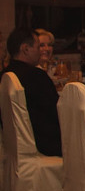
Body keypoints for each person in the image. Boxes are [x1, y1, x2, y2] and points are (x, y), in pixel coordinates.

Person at [1, 28, 62, 156]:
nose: (40, 51)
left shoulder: (3, 76)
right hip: (43, 148)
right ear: (25, 49)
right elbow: (58, 112)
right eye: (38, 47)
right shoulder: (36, 76)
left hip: (12, 148)